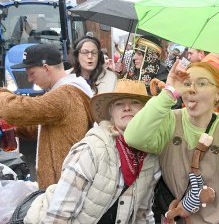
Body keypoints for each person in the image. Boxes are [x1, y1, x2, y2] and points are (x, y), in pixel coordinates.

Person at [124, 60, 219, 223]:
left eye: (202, 83)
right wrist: (168, 93)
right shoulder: (170, 121)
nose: (192, 89)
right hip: (183, 216)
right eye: (187, 83)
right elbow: (133, 137)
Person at [23, 79, 160, 223]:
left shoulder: (150, 157)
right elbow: (59, 216)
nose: (126, 108)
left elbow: (142, 214)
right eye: (119, 104)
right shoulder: (92, 149)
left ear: (146, 111)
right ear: (111, 114)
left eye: (134, 102)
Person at [0, 44, 93, 189]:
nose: (30, 79)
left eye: (31, 73)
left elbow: (16, 109)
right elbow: (39, 128)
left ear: (46, 68)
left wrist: (2, 94)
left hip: (64, 189)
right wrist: (14, 127)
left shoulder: (65, 95)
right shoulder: (67, 91)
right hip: (66, 185)